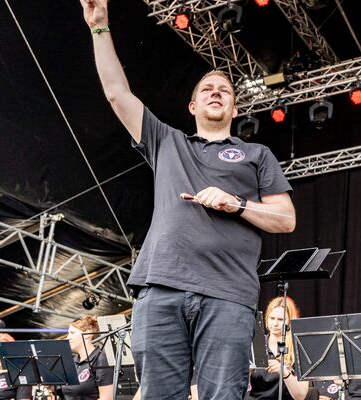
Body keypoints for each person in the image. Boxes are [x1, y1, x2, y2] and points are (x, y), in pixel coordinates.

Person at [79, 0, 296, 398]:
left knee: (223, 394)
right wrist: (99, 28)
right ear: (193, 105)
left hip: (228, 293)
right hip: (161, 286)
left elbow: (285, 219)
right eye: (207, 89)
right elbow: (116, 93)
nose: (216, 93)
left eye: (225, 90)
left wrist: (237, 203)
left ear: (234, 105)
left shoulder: (256, 154)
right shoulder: (168, 142)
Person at [248, 297, 309, 400]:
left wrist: (284, 372)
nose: (275, 323)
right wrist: (247, 371)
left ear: (290, 321)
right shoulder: (256, 343)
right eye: (272, 318)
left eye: (280, 319)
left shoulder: (298, 348)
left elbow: (300, 395)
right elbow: (239, 389)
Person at [59, 316, 114, 400]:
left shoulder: (101, 358)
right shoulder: (72, 361)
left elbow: (106, 397)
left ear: (87, 334)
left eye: (72, 333)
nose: (67, 338)